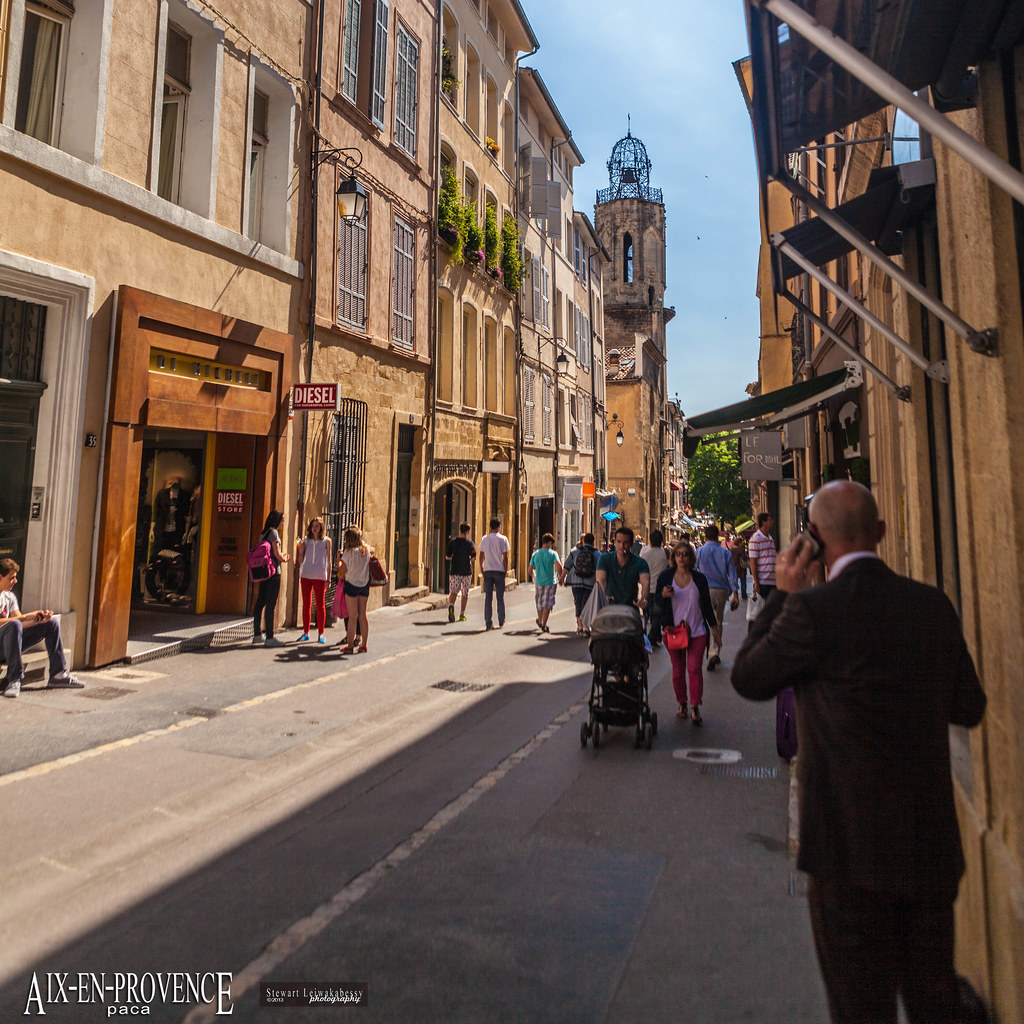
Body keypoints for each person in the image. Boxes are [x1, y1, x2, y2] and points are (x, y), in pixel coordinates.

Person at [731, 481, 986, 1024]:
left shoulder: (813, 612)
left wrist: (784, 594)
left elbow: (749, 677)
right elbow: (969, 706)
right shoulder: (931, 606)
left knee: (859, 1009)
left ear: (815, 542)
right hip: (928, 845)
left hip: (847, 851)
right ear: (883, 533)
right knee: (933, 1002)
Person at [654, 542, 718, 725]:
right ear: (673, 557)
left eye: (685, 554)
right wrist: (663, 595)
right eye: (678, 554)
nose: (681, 558)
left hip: (697, 631)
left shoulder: (699, 579)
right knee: (677, 670)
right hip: (673, 631)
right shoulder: (666, 577)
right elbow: (657, 601)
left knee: (694, 668)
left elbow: (706, 605)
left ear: (691, 558)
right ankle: (682, 702)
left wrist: (714, 630)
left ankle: (695, 706)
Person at [0, 558, 84, 698]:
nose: (15, 581)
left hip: (9, 646)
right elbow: (16, 621)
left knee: (51, 624)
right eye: (12, 578)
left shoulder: (10, 597)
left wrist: (37, 619)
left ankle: (58, 675)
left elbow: (20, 624)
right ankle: (14, 679)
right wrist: (25, 616)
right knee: (13, 624)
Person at [695, 524, 739, 671]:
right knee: (717, 621)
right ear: (717, 536)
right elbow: (732, 574)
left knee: (704, 621)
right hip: (721, 590)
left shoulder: (699, 551)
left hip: (703, 590)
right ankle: (714, 651)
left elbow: (693, 571)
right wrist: (735, 594)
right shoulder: (725, 553)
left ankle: (706, 649)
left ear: (706, 536)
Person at [253, 510, 289, 646]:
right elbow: (277, 554)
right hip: (273, 573)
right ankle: (269, 637)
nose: (283, 522)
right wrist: (285, 558)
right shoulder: (274, 533)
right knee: (270, 604)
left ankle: (257, 634)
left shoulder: (263, 533)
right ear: (277, 520)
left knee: (260, 603)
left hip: (263, 573)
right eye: (282, 519)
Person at [338, 525, 375, 654]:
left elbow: (342, 572)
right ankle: (364, 644)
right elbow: (371, 548)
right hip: (364, 585)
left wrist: (339, 561)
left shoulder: (349, 552)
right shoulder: (366, 550)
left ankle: (349, 646)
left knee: (352, 617)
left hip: (351, 585)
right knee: (363, 615)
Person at [595, 526, 650, 611]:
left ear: (631, 544)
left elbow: (645, 582)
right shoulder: (604, 559)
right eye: (619, 542)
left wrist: (643, 599)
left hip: (630, 611)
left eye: (626, 543)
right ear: (615, 542)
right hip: (609, 609)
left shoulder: (640, 562)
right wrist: (603, 597)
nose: (621, 546)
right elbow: (600, 579)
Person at [296, 516, 331, 643]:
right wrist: (300, 550)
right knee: (306, 604)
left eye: (317, 526)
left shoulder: (327, 541)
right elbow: (301, 558)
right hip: (306, 574)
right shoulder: (305, 540)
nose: (314, 528)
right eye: (313, 526)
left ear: (321, 527)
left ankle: (321, 633)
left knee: (320, 605)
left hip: (320, 575)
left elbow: (329, 560)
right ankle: (306, 632)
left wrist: (328, 579)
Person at [562, 533, 599, 636]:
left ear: (583, 541)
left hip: (576, 581)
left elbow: (567, 565)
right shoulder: (597, 554)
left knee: (578, 603)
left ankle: (580, 626)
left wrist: (562, 578)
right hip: (590, 582)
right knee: (586, 604)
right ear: (593, 542)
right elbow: (600, 569)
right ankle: (586, 627)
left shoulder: (574, 551)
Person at [477, 518, 510, 630]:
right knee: (500, 597)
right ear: (499, 526)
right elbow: (505, 557)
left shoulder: (485, 539)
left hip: (488, 569)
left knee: (488, 597)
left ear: (490, 527)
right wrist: (505, 569)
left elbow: (481, 556)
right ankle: (501, 620)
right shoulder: (503, 539)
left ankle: (488, 622)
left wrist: (482, 568)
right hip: (499, 570)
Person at [640, 530, 670, 647]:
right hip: (660, 588)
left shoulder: (645, 554)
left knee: (651, 613)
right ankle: (653, 636)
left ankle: (653, 636)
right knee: (657, 614)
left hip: (647, 587)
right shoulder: (666, 553)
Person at [528, 533, 562, 633]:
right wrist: (561, 576)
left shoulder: (535, 554)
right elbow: (559, 566)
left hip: (539, 582)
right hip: (550, 582)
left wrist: (534, 576)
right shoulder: (553, 554)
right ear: (548, 542)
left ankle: (540, 620)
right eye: (551, 543)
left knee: (539, 603)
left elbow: (530, 569)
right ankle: (544, 624)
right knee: (547, 603)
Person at [445, 522, 476, 623]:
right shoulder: (470, 543)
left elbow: (447, 556)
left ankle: (451, 606)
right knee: (464, 593)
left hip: (455, 570)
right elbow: (473, 558)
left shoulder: (452, 542)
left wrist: (454, 557)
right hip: (466, 571)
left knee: (454, 591)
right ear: (467, 531)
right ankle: (462, 614)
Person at [748, 511, 777, 608]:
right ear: (764, 522)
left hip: (772, 580)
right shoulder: (755, 539)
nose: (772, 522)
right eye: (770, 520)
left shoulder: (770, 538)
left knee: (772, 608)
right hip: (763, 581)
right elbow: (753, 562)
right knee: (762, 609)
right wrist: (756, 582)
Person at [731, 536, 750, 600]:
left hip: (734, 567)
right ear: (739, 543)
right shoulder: (741, 549)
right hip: (741, 567)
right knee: (743, 581)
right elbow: (744, 558)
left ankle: (733, 594)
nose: (743, 542)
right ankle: (744, 594)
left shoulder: (732, 550)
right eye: (741, 541)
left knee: (734, 581)